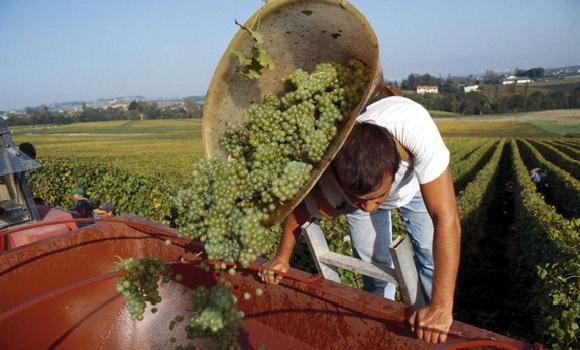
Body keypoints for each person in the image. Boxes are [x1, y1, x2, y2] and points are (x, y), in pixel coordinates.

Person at [260, 96, 461, 345]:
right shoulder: (338, 171)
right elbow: (299, 211)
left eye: (375, 199)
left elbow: (446, 218)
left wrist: (441, 305)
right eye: (359, 200)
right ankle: (380, 331)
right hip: (360, 186)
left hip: (414, 190)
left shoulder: (414, 127)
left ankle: (440, 328)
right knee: (375, 269)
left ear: (394, 169)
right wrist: (282, 258)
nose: (367, 209)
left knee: (430, 256)